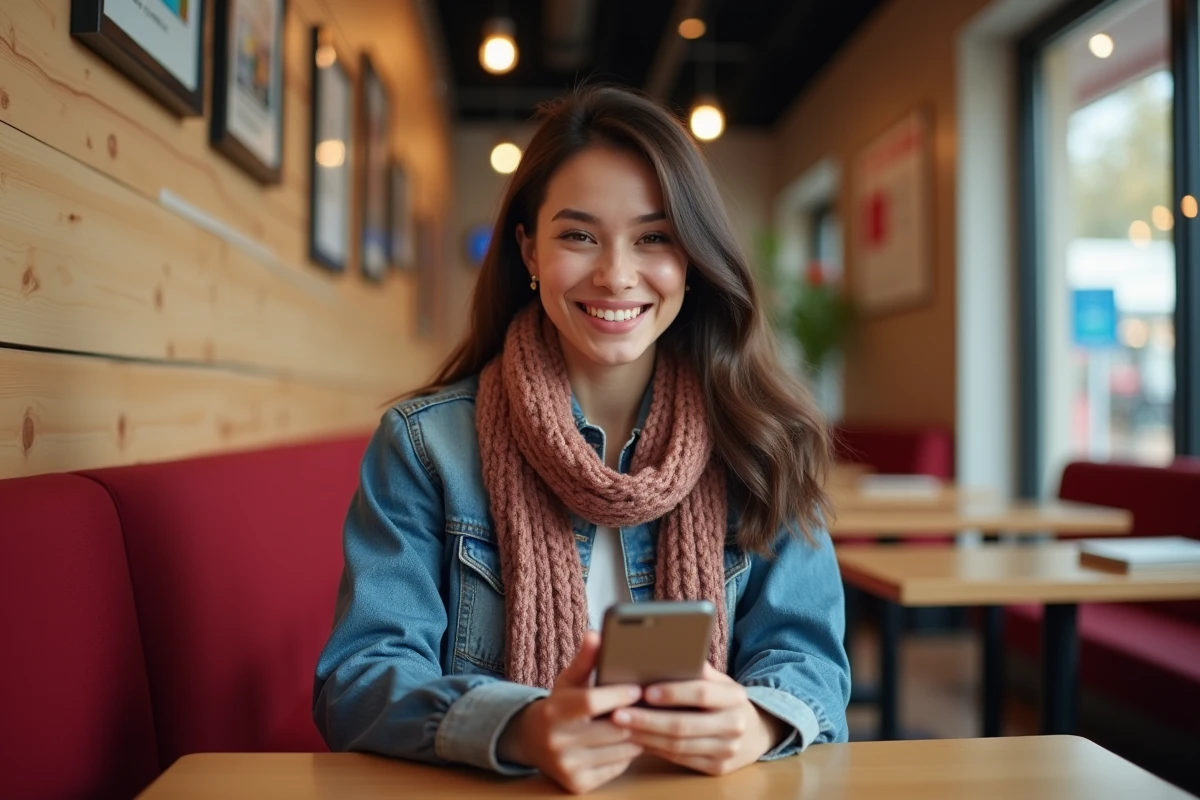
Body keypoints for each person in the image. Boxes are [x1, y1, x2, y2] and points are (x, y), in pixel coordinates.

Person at [313, 84, 850, 795]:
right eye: (579, 235)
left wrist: (756, 721)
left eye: (654, 237)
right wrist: (524, 728)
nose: (617, 274)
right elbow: (359, 679)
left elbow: (810, 661)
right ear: (529, 250)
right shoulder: (424, 446)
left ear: (692, 258)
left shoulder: (760, 439)